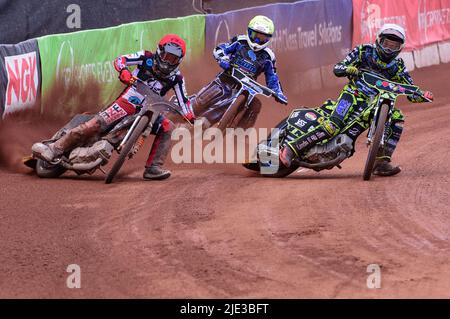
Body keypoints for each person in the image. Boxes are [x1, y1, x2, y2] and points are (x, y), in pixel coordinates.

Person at [32, 34, 194, 180]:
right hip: (128, 102)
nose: (167, 61)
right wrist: (123, 71)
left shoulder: (177, 78)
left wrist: (190, 115)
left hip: (152, 109)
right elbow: (120, 60)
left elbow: (184, 100)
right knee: (94, 125)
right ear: (159, 51)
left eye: (172, 59)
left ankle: (153, 167)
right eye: (166, 56)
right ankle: (54, 148)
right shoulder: (146, 57)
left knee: (167, 126)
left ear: (179, 61)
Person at [280, 23, 434, 176]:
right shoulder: (364, 51)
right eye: (386, 44)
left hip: (375, 103)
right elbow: (338, 68)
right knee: (333, 125)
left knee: (397, 117)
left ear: (400, 48)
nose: (388, 49)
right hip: (352, 95)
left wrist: (423, 94)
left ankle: (381, 162)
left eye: (393, 46)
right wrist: (348, 69)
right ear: (379, 40)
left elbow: (411, 92)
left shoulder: (398, 67)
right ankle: (291, 149)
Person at [192, 15, 288, 128]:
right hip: (226, 79)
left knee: (255, 105)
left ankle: (239, 138)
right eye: (255, 36)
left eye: (262, 38)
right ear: (249, 31)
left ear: (268, 39)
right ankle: (184, 112)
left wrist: (278, 92)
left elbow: (272, 77)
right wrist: (223, 59)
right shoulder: (239, 41)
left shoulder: (268, 56)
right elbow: (220, 49)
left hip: (247, 90)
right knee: (201, 103)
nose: (258, 40)